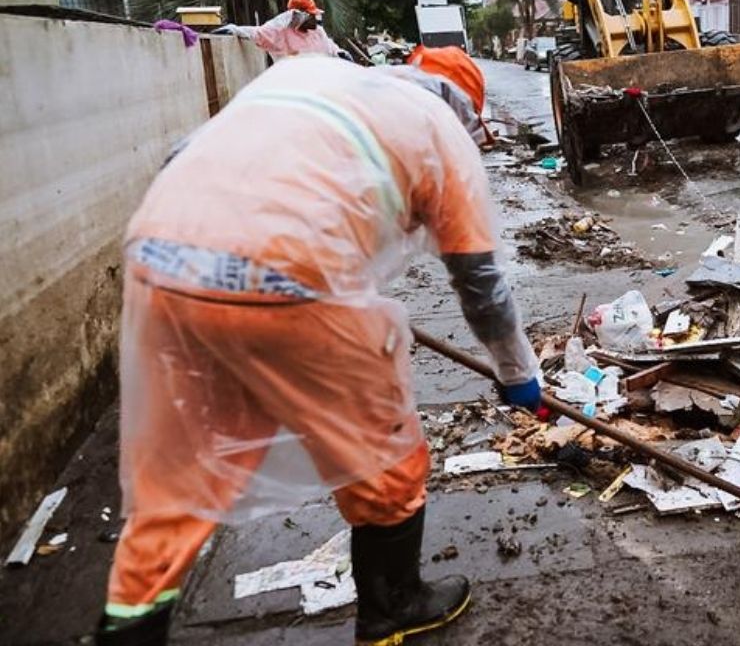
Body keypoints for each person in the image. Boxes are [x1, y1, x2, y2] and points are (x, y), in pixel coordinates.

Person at [95, 52, 542, 646]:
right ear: (463, 107)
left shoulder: (305, 78)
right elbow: (481, 287)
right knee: (382, 455)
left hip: (163, 259)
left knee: (184, 467)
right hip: (290, 276)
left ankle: (126, 633)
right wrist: (517, 376)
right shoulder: (439, 133)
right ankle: (394, 606)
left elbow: (183, 155)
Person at [213, 0, 340, 60]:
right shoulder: (280, 34)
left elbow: (329, 46)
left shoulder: (318, 32)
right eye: (312, 15)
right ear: (300, 17)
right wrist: (234, 30)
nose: (315, 19)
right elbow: (257, 33)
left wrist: (340, 52)